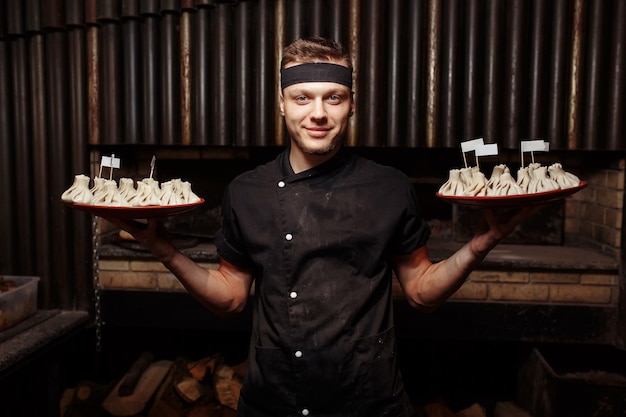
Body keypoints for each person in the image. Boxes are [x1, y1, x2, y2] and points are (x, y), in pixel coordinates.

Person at [106, 37, 540, 417]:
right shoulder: (246, 191)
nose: (318, 113)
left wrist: (483, 242)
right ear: (281, 103)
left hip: (370, 400)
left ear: (352, 102)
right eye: (302, 98)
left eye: (333, 97)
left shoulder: (389, 186)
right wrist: (164, 250)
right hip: (274, 399)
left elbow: (422, 292)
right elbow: (231, 298)